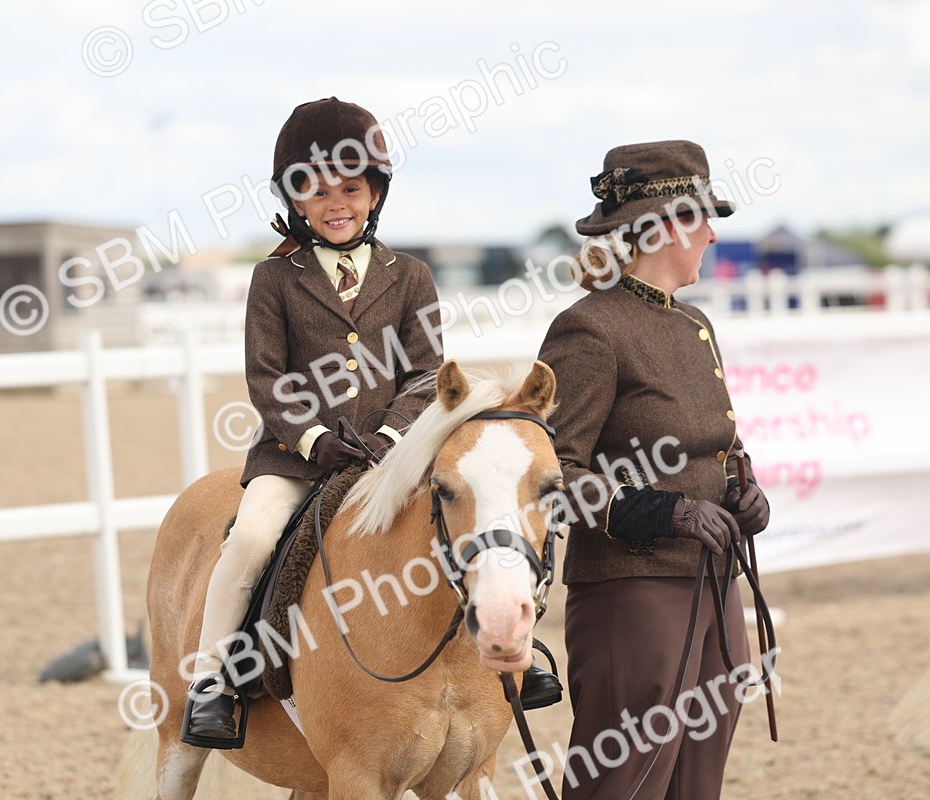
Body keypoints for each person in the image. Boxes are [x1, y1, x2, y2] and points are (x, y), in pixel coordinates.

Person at [183, 98, 564, 744]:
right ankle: (214, 683)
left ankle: (509, 656)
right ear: (296, 202)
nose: (338, 204)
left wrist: (389, 439)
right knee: (250, 537)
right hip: (296, 457)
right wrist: (315, 440)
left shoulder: (410, 276)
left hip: (395, 454)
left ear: (375, 194)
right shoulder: (273, 280)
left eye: (352, 190)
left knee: (475, 515)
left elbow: (425, 375)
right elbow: (267, 380)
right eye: (318, 191)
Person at [536, 140, 771, 798]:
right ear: (664, 227)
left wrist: (744, 492)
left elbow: (718, 444)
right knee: (626, 781)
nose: (713, 235)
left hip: (713, 580)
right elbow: (553, 472)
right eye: (702, 219)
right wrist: (664, 510)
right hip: (631, 589)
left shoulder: (694, 323)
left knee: (698, 776)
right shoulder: (589, 329)